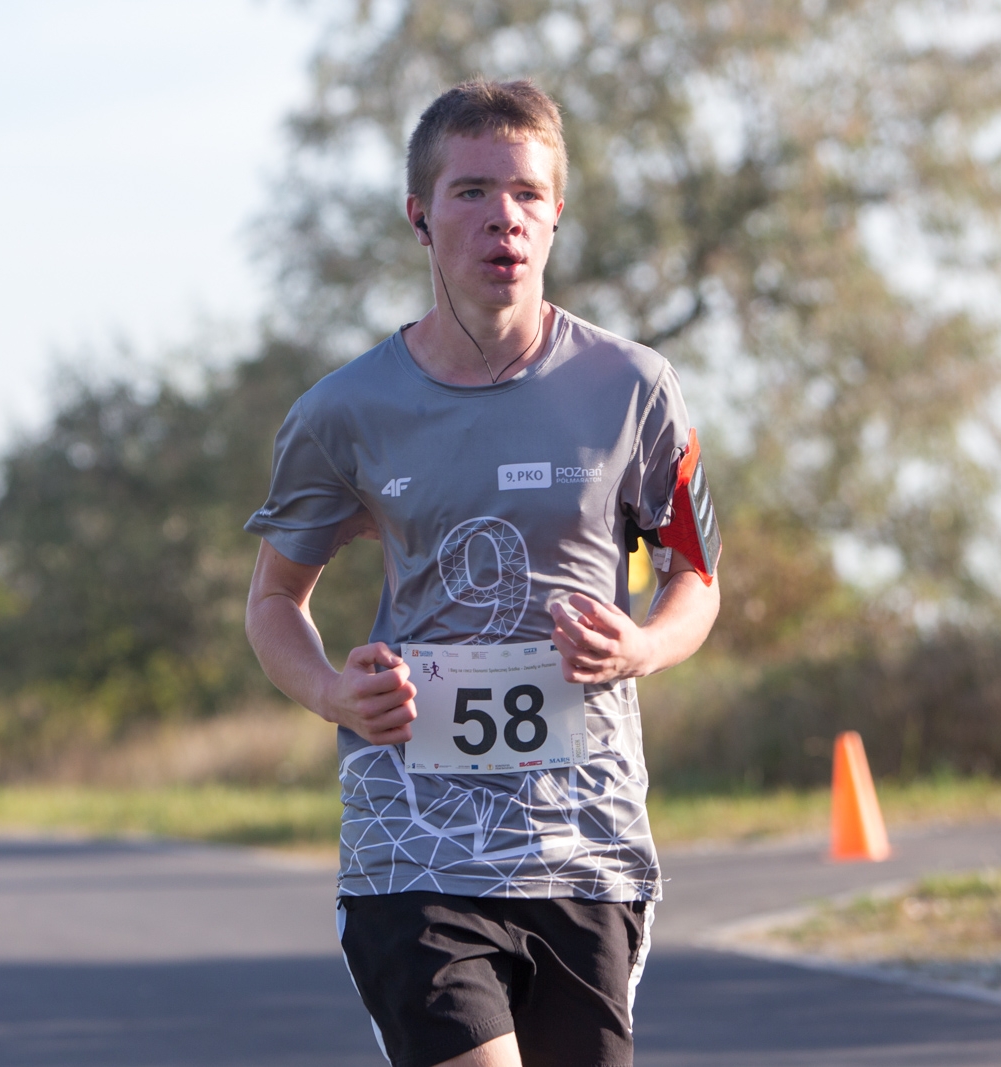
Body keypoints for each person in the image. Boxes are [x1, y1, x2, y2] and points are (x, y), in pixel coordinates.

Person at [244, 79, 721, 1067]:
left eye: (525, 192)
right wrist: (334, 690)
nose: (500, 215)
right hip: (413, 841)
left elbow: (696, 579)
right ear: (419, 216)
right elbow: (273, 601)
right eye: (469, 191)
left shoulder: (635, 389)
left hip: (583, 839)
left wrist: (640, 643)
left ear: (555, 213)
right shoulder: (345, 410)